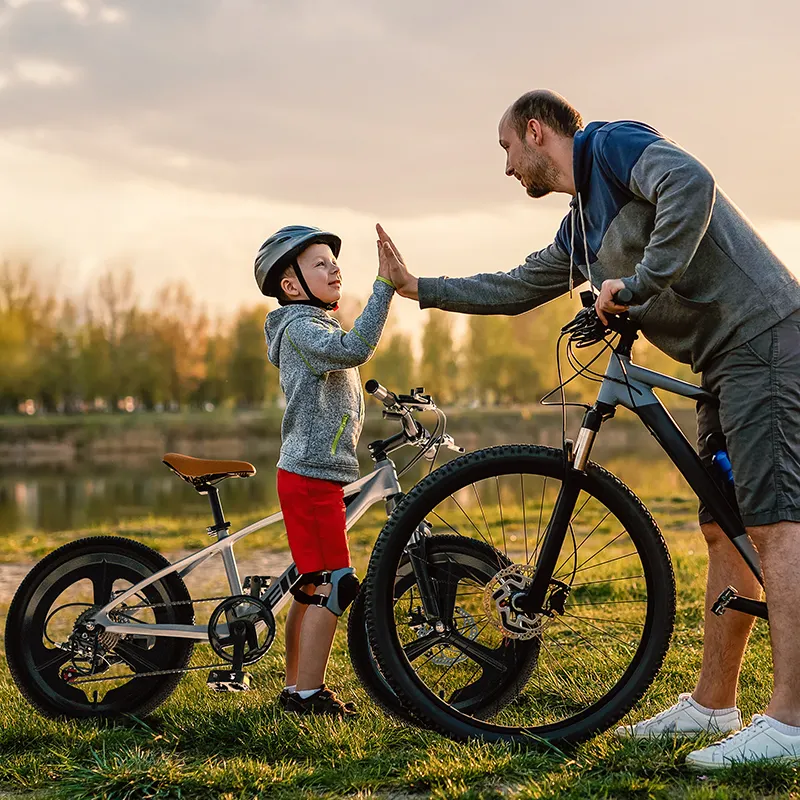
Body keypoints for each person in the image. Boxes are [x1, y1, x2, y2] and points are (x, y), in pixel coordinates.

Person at [377, 89, 800, 768]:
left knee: (778, 524)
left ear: (536, 132)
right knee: (728, 527)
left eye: (506, 147)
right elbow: (516, 286)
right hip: (723, 359)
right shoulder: (578, 231)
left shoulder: (613, 147)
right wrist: (417, 287)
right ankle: (713, 703)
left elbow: (692, 184)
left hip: (766, 341)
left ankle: (792, 721)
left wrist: (638, 285)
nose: (507, 166)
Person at [254, 224, 395, 716]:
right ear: (290, 285)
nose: (333, 267)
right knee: (335, 582)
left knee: (312, 583)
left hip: (315, 473)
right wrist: (385, 286)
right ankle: (307, 695)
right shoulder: (301, 329)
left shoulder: (312, 326)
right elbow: (357, 349)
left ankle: (297, 687)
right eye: (319, 262)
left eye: (333, 261)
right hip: (311, 475)